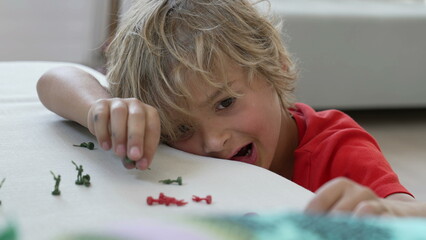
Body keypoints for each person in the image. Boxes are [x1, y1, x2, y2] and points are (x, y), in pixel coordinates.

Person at [36, 0, 426, 216]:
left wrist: (390, 217)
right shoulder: (161, 126)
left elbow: (410, 212)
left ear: (277, 67)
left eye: (225, 103)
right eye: (181, 129)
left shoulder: (337, 146)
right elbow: (52, 80)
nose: (213, 141)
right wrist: (103, 108)